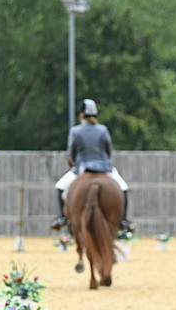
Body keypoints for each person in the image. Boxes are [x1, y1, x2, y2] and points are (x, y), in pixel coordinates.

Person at [50, 99, 134, 233]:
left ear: (81, 114)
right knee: (123, 188)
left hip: (82, 167)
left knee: (60, 186)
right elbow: (108, 151)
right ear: (95, 114)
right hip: (104, 168)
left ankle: (62, 217)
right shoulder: (103, 130)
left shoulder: (75, 131)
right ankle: (123, 220)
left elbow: (71, 153)